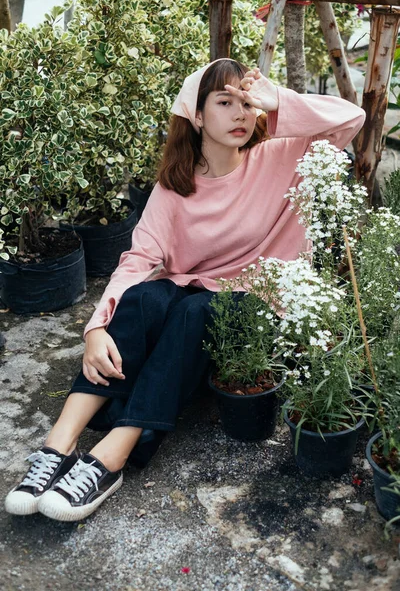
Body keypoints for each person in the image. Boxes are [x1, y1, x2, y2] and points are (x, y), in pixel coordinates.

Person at [4, 59, 365, 521]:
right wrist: (95, 329)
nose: (240, 113)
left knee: (197, 312)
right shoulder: (175, 187)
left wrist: (277, 103)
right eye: (224, 102)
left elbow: (351, 119)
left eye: (246, 102)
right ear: (195, 116)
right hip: (196, 295)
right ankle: (58, 446)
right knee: (145, 296)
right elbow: (137, 259)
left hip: (258, 304)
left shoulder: (282, 157)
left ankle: (112, 458)